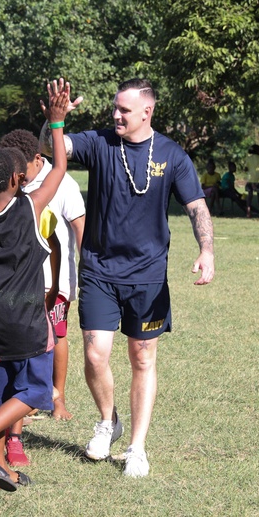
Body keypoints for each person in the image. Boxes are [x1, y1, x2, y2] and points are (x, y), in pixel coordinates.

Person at [39, 78, 215, 479]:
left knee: (142, 357)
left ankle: (136, 447)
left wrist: (207, 250)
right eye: (114, 109)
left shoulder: (171, 154)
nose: (115, 115)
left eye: (124, 110)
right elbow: (49, 149)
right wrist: (54, 119)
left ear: (146, 112)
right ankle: (108, 421)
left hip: (148, 274)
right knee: (95, 353)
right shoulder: (99, 142)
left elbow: (196, 206)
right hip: (99, 267)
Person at [0, 79, 72, 492]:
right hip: (26, 319)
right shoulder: (31, 205)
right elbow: (58, 168)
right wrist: (56, 123)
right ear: (20, 178)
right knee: (37, 389)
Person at [1, 128, 86, 425]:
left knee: (56, 335)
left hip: (55, 281)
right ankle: (30, 395)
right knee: (28, 339)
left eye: (21, 168)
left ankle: (56, 396)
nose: (19, 176)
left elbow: (80, 229)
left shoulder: (63, 185)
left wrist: (88, 273)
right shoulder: (12, 183)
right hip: (21, 283)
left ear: (37, 159)